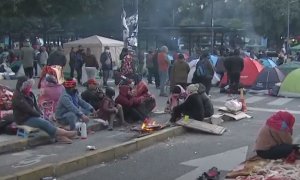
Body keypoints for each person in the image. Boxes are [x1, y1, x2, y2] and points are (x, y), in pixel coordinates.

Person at [12, 76, 76, 144]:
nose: (29, 87)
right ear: (23, 86)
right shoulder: (17, 96)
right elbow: (28, 109)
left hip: (30, 116)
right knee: (43, 123)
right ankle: (65, 133)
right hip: (23, 119)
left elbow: (35, 105)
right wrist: (38, 115)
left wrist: (40, 113)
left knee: (48, 121)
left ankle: (60, 137)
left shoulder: (29, 94)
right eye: (27, 86)